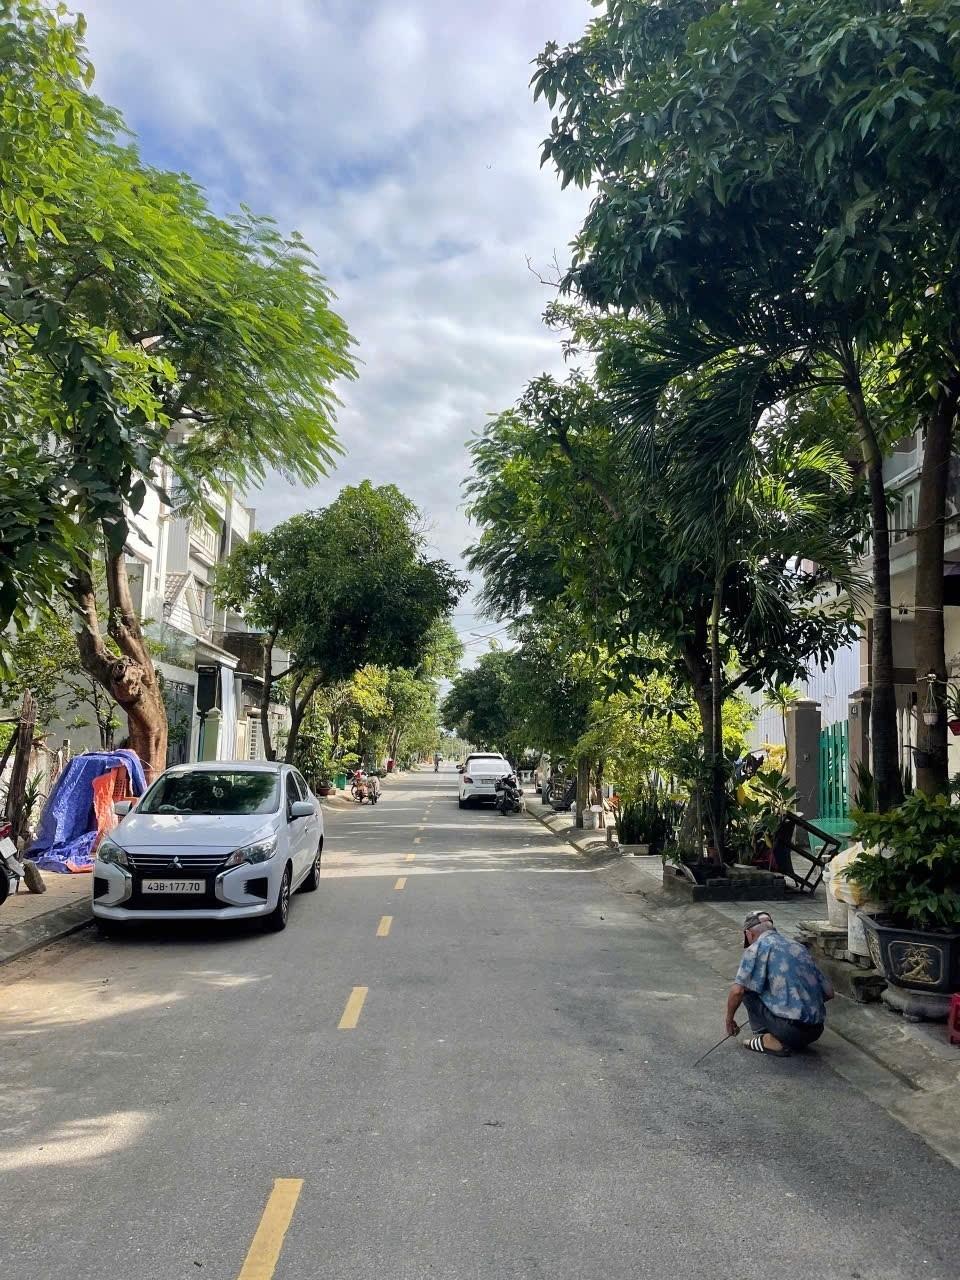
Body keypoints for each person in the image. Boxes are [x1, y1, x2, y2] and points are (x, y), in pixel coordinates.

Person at [725, 911, 833, 1058]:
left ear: (749, 934)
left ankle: (770, 1038)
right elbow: (829, 993)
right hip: (816, 1030)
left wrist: (729, 1020)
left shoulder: (756, 948)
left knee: (747, 990)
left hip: (788, 1030)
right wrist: (801, 1004)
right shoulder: (798, 947)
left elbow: (737, 991)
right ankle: (787, 1035)